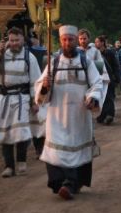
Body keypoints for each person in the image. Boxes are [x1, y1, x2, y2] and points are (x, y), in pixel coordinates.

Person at [35, 25, 103, 200]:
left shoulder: (85, 62)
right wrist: (45, 86)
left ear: (75, 40)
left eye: (70, 39)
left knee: (76, 149)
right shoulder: (53, 63)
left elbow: (97, 83)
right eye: (64, 40)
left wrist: (92, 97)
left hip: (78, 116)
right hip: (57, 116)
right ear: (60, 41)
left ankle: (71, 184)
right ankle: (61, 184)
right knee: (55, 151)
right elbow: (40, 92)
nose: (67, 42)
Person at [0, 27, 42, 178]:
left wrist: (35, 102)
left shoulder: (30, 57)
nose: (14, 43)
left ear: (23, 40)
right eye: (12, 40)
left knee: (21, 132)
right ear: (8, 41)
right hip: (3, 99)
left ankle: (21, 161)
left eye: (17, 40)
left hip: (21, 98)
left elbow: (35, 82)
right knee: (5, 133)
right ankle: (9, 166)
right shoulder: (1, 55)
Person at [95, 35, 120, 124]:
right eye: (95, 42)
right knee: (101, 98)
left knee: (109, 97)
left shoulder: (110, 53)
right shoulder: (96, 54)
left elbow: (116, 66)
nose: (96, 43)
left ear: (102, 43)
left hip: (109, 79)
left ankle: (110, 115)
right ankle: (103, 115)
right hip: (99, 79)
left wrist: (117, 78)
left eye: (97, 42)